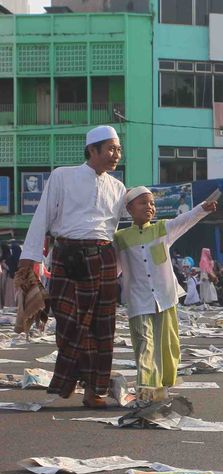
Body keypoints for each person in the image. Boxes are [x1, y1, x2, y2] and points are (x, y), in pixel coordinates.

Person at [15, 125, 126, 408]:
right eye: (111, 149)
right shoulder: (62, 176)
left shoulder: (118, 187)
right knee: (68, 324)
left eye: (119, 149)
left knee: (102, 328)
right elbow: (43, 215)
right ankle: (67, 382)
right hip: (68, 255)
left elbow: (114, 229)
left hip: (103, 258)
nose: (117, 155)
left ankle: (94, 391)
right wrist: (30, 258)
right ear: (92, 150)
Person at [113, 186, 216, 404]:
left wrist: (202, 209)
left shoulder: (162, 229)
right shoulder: (120, 238)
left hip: (165, 297)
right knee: (144, 344)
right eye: (143, 203)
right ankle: (146, 390)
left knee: (168, 345)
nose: (149, 207)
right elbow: (115, 269)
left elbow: (184, 220)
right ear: (130, 208)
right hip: (139, 299)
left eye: (151, 203)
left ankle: (163, 385)